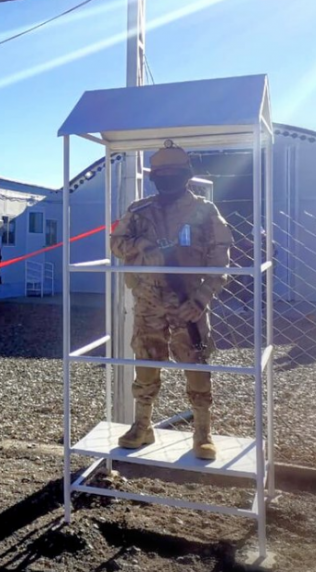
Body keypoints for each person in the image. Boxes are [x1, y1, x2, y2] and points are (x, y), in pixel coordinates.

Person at [111, 141, 233, 461]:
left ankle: (202, 432)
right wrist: (142, 246)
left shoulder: (205, 211)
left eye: (173, 174)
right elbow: (116, 243)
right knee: (146, 361)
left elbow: (221, 259)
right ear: (153, 177)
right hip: (148, 299)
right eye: (161, 175)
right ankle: (142, 425)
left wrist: (202, 298)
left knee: (195, 362)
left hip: (188, 300)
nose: (167, 180)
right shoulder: (139, 211)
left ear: (187, 175)